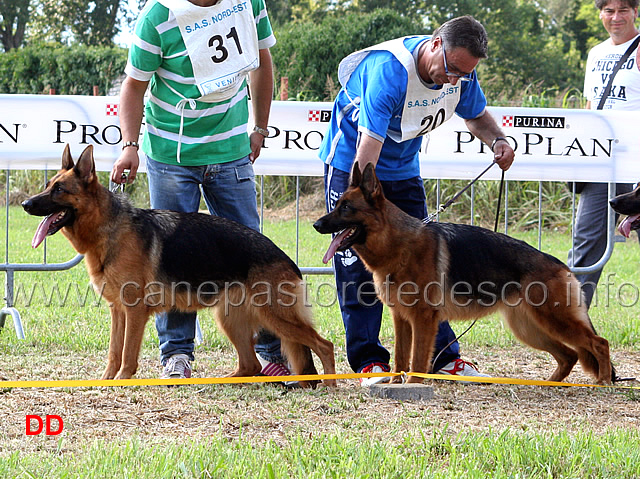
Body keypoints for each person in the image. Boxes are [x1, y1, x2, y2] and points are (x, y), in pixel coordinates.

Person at [319, 16, 516, 386]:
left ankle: (442, 358)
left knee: (424, 264)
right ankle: (369, 362)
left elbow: (475, 116)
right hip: (355, 167)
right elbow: (368, 148)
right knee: (361, 266)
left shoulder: (461, 71)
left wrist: (498, 140)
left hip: (404, 167)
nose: (455, 79)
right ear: (435, 44)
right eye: (452, 69)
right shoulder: (390, 73)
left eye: (464, 73)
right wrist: (361, 202)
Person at [110, 0, 293, 381]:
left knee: (252, 253)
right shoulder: (158, 16)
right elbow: (133, 87)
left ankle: (270, 352)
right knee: (170, 259)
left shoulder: (248, 3)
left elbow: (261, 62)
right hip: (171, 152)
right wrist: (129, 145)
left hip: (231, 150)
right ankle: (177, 355)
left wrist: (260, 126)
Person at [568, 0, 640, 308]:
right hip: (602, 162)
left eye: (624, 9)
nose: (616, 17)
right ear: (600, 13)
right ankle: (573, 329)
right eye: (609, 10)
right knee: (585, 250)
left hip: (636, 162)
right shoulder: (595, 53)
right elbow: (590, 108)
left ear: (636, 11)